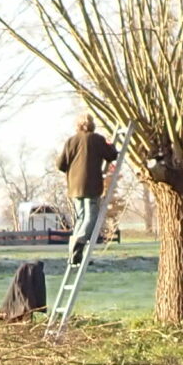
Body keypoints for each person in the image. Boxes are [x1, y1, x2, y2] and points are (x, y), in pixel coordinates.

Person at [55, 114, 119, 276]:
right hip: (90, 184)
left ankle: (74, 253)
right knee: (91, 216)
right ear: (92, 125)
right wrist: (111, 145)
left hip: (74, 187)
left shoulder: (71, 141)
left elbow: (60, 164)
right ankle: (80, 241)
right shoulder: (96, 139)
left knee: (81, 217)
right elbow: (112, 155)